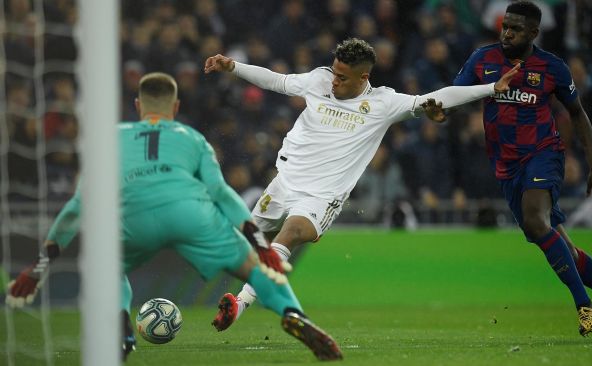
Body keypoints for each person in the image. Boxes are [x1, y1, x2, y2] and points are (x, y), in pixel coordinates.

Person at [5, 72, 343, 361]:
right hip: (191, 213)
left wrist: (38, 269)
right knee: (255, 272)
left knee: (109, 266)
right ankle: (292, 314)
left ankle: (122, 327)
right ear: (176, 108)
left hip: (133, 217)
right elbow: (222, 194)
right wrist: (259, 244)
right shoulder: (194, 139)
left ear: (138, 107)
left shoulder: (109, 139)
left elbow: (77, 207)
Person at [203, 38, 519, 331]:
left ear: (364, 76)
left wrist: (492, 87)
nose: (334, 80)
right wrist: (234, 67)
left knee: (291, 234)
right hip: (284, 182)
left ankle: (238, 303)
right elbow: (278, 81)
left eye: (342, 77)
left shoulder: (383, 104)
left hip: (321, 196)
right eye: (334, 72)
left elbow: (438, 97)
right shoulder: (318, 80)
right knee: (237, 241)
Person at [442, 1, 592, 338]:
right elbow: (456, 93)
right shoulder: (483, 59)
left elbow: (578, 114)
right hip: (507, 167)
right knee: (558, 245)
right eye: (505, 26)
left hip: (543, 154)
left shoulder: (551, 67)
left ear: (534, 32)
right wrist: (440, 110)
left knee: (538, 222)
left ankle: (585, 306)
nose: (507, 32)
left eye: (516, 28)